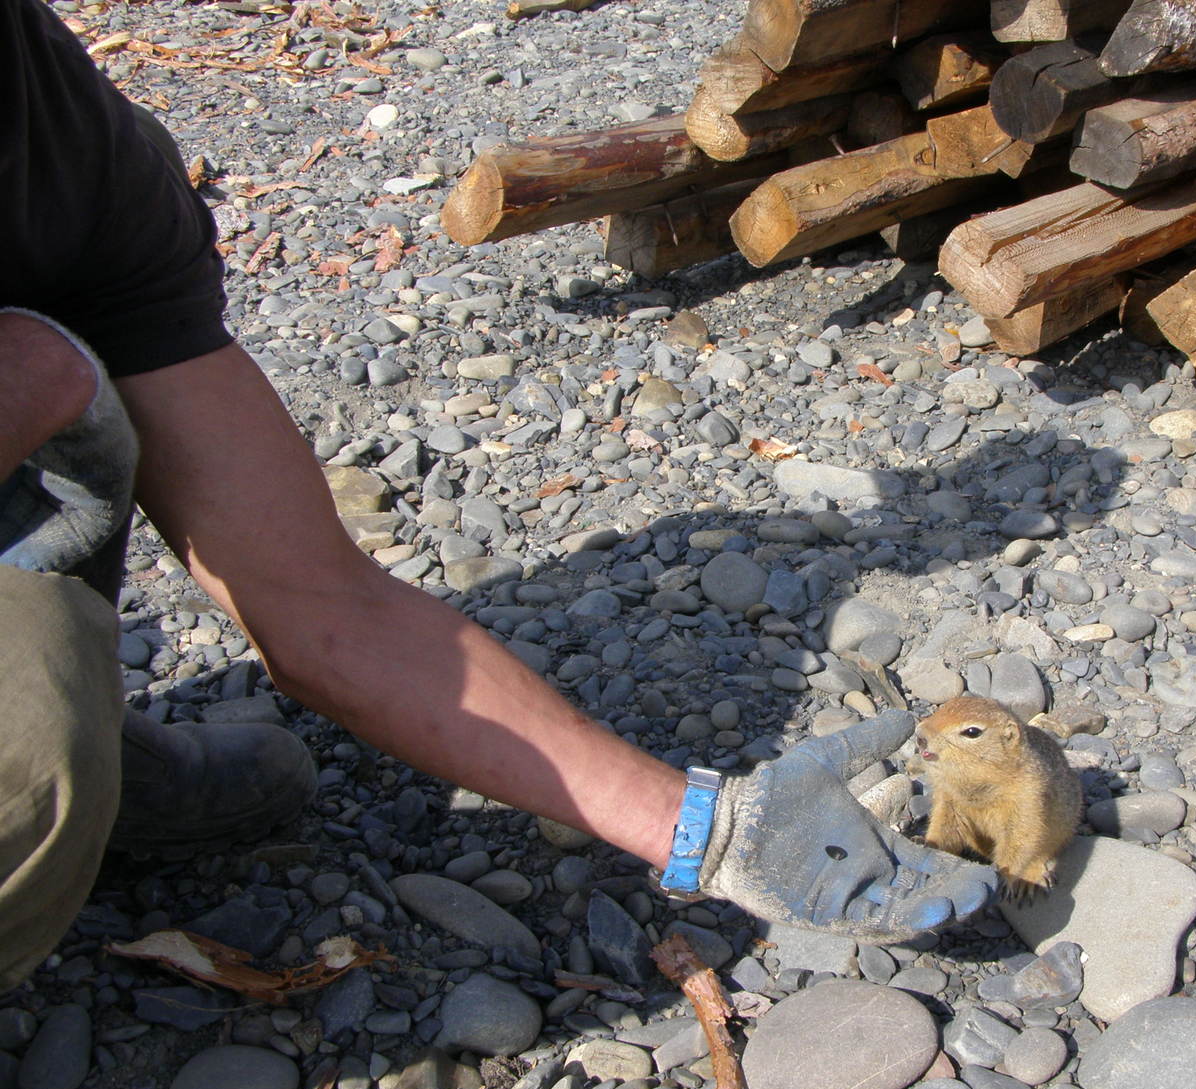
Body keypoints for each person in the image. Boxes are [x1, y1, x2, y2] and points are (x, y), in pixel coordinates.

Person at [0, 0, 996, 992]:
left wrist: (713, 828)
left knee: (68, 406)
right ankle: (53, 762)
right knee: (32, 752)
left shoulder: (60, 137)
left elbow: (314, 600)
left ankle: (87, 757)